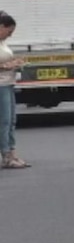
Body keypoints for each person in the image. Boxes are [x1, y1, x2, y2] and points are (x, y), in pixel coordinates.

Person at [0, 12, 30, 169]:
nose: (10, 35)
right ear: (1, 27)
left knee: (11, 120)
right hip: (1, 85)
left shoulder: (2, 43)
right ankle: (5, 154)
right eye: (9, 31)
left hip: (8, 83)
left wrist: (15, 62)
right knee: (4, 121)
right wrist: (7, 66)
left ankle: (12, 152)